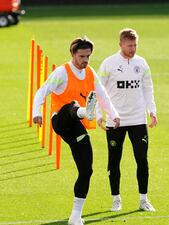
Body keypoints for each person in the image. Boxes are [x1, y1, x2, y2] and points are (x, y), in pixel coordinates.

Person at [32, 37, 120, 225]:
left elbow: (103, 96)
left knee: (87, 170)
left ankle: (75, 216)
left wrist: (114, 115)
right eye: (81, 56)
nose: (85, 60)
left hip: (76, 128)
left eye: (88, 56)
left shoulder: (90, 73)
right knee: (71, 107)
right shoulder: (61, 72)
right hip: (61, 120)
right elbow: (42, 91)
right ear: (72, 54)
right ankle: (84, 111)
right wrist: (36, 112)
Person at [97, 28, 157, 212]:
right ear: (120, 44)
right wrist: (99, 115)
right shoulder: (109, 63)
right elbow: (98, 91)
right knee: (114, 161)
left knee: (142, 159)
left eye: (135, 45)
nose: (133, 49)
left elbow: (148, 88)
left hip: (138, 119)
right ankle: (116, 199)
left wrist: (152, 111)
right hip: (115, 121)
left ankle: (143, 199)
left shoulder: (142, 63)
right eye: (129, 45)